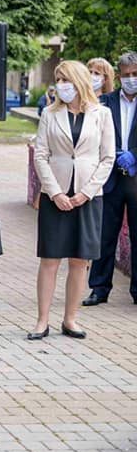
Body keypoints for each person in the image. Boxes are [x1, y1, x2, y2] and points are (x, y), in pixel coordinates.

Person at [29, 60, 114, 340]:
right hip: (55, 195)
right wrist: (54, 192)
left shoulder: (101, 114)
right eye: (58, 79)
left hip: (88, 197)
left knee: (80, 261)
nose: (61, 85)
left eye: (66, 79)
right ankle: (42, 321)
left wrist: (85, 193)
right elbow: (41, 155)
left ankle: (70, 319)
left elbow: (107, 158)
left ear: (78, 81)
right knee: (50, 259)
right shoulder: (49, 114)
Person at [85, 52, 137, 306]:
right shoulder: (105, 102)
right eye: (126, 75)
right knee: (104, 235)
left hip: (135, 179)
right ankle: (99, 288)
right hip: (110, 178)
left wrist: (134, 155)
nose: (131, 79)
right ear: (119, 75)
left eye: (135, 75)